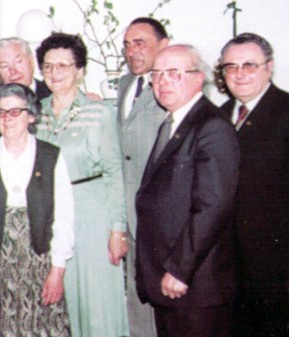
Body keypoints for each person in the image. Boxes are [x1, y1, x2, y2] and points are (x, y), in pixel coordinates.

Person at [135, 45, 239, 337]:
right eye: (157, 74)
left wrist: (180, 269)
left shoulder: (211, 126)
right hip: (170, 279)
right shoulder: (174, 122)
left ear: (199, 78)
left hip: (193, 284)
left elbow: (213, 206)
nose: (163, 82)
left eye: (174, 73)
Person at [0, 83, 74, 336]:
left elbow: (64, 217)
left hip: (39, 264)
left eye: (14, 112)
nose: (6, 119)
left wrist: (57, 272)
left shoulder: (51, 155)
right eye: (1, 113)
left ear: (31, 115)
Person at [35, 32, 128, 337]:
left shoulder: (100, 112)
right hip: (50, 217)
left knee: (96, 303)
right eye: (48, 66)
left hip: (91, 215)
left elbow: (115, 173)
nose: (55, 73)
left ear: (80, 70)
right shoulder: (35, 114)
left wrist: (117, 229)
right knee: (59, 301)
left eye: (63, 65)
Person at [217, 33, 289, 337]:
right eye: (230, 67)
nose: (239, 74)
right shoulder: (217, 117)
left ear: (269, 67)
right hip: (228, 266)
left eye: (249, 65)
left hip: (276, 268)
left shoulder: (285, 111)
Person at [117, 17, 169, 337]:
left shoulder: (172, 86)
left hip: (161, 217)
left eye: (140, 43)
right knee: (137, 300)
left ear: (163, 45)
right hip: (130, 215)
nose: (131, 51)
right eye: (126, 45)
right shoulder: (125, 85)